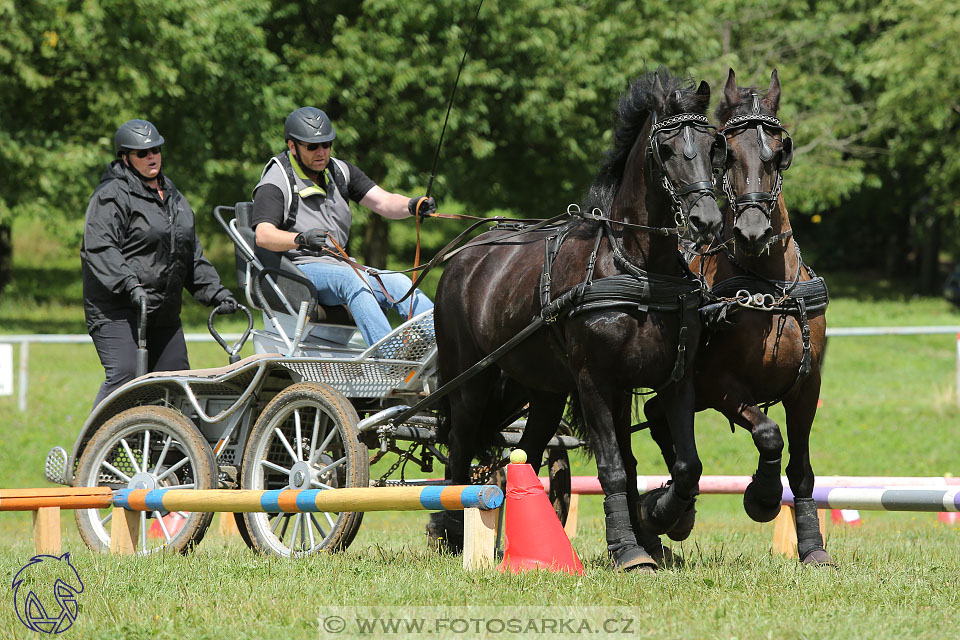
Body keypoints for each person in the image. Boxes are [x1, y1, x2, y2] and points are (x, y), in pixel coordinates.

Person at [81, 119, 239, 409]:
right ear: (125, 158)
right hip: (118, 309)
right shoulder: (111, 195)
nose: (151, 156)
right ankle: (91, 450)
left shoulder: (174, 198)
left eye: (155, 150)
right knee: (125, 377)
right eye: (142, 153)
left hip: (162, 311)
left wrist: (216, 293)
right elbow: (100, 247)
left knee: (177, 384)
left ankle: (171, 453)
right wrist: (129, 284)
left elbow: (188, 253)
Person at [251, 106, 435, 346]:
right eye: (312, 147)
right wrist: (300, 239)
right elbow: (263, 235)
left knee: (399, 282)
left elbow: (384, 201)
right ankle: (390, 355)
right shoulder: (276, 181)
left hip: (340, 266)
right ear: (292, 146)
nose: (322, 152)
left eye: (327, 145)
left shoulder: (340, 171)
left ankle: (444, 343)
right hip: (297, 270)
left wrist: (412, 205)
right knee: (350, 278)